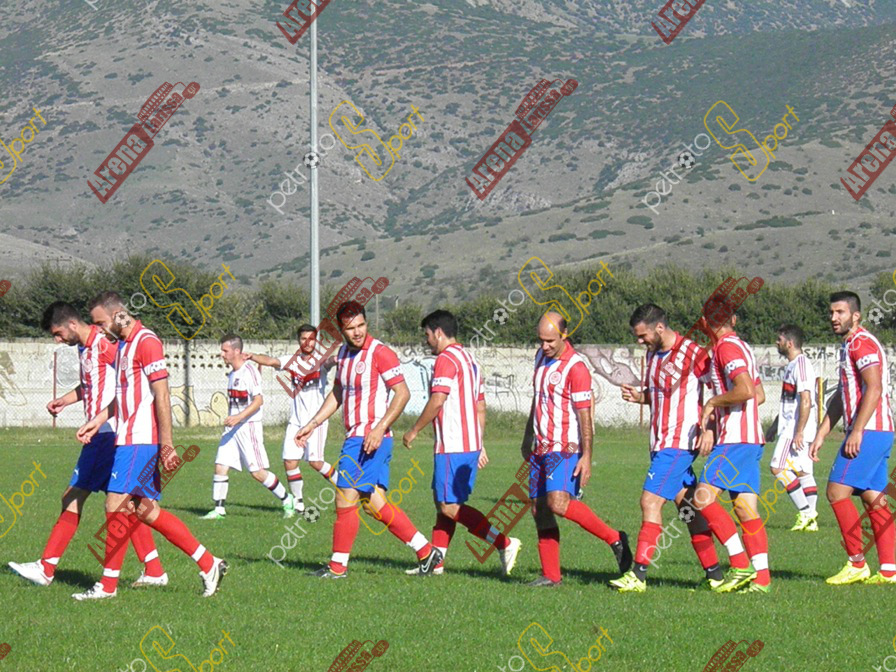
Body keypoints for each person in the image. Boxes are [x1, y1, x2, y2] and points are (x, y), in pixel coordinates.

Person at [73, 292, 226, 600]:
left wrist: (167, 444)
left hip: (140, 440)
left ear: (118, 316)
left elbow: (162, 394)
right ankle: (209, 563)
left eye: (100, 323)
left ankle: (107, 586)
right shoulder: (122, 346)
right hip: (127, 438)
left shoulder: (147, 341)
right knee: (145, 510)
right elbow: (124, 396)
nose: (98, 329)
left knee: (114, 505)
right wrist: (98, 420)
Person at [8, 302, 167, 589]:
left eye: (57, 334)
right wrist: (65, 400)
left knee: (73, 496)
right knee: (132, 505)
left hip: (107, 434)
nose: (58, 340)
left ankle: (47, 568)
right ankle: (156, 568)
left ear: (71, 324)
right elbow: (90, 385)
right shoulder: (84, 348)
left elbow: (129, 377)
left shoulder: (104, 344)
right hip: (106, 433)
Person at [295, 301, 441, 578]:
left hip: (369, 438)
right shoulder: (343, 355)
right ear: (341, 330)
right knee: (373, 504)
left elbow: (402, 393)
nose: (358, 332)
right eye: (351, 328)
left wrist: (379, 428)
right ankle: (426, 551)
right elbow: (338, 393)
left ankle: (338, 567)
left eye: (361, 325)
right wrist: (313, 423)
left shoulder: (380, 353)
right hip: (359, 437)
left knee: (344, 498)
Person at [610, 303, 725, 592]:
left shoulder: (692, 353)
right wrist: (641, 397)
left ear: (660, 328)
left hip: (679, 443)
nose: (640, 341)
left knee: (649, 502)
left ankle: (638, 575)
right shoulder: (653, 354)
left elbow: (718, 391)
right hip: (660, 443)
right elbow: (661, 394)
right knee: (689, 510)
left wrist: (710, 429)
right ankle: (715, 575)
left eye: (643, 335)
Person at [402, 310, 521, 575]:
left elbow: (437, 400)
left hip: (453, 445)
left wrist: (414, 430)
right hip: (467, 445)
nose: (426, 341)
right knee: (443, 504)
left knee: (449, 506)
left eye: (427, 335)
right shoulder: (470, 360)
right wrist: (479, 442)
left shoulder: (445, 360)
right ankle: (436, 563)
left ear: (438, 333)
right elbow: (481, 406)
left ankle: (504, 543)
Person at [521, 312, 631, 588]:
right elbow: (538, 400)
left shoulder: (576, 368)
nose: (544, 345)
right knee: (539, 510)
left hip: (565, 447)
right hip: (541, 447)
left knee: (557, 503)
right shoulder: (540, 357)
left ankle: (615, 538)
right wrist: (527, 436)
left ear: (564, 335)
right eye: (541, 340)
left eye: (550, 340)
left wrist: (587, 456)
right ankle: (551, 576)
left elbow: (585, 416)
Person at [810, 291, 895, 585]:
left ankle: (856, 563)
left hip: (870, 430)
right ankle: (889, 570)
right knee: (874, 498)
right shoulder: (848, 345)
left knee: (836, 492)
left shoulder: (861, 343)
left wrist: (857, 430)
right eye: (831, 312)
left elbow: (874, 387)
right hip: (878, 431)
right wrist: (822, 432)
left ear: (856, 316)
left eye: (840, 312)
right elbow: (841, 397)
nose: (833, 318)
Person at [691, 295, 769, 594]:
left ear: (705, 323)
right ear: (733, 319)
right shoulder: (743, 346)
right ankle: (762, 580)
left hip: (736, 439)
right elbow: (760, 395)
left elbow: (746, 390)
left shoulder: (726, 348)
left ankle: (739, 564)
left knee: (701, 498)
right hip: (751, 438)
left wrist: (714, 402)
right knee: (745, 510)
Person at [247, 325, 338, 516]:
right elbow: (271, 361)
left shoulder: (320, 361)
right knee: (289, 461)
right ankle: (298, 502)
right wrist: (252, 356)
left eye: (311, 339)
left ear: (316, 340)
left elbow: (330, 361)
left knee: (316, 462)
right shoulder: (292, 361)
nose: (308, 342)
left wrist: (337, 359)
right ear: (298, 340)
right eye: (304, 339)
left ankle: (346, 488)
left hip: (316, 421)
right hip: (296, 421)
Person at [201, 334, 293, 519]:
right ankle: (219, 510)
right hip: (232, 429)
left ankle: (286, 498)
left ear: (237, 351)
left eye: (225, 350)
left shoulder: (249, 371)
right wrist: (234, 419)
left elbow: (259, 401)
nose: (222, 354)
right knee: (221, 465)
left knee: (257, 472)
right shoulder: (232, 374)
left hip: (248, 427)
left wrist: (238, 417)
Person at [768, 324, 819, 531]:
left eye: (779, 340)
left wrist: (799, 431)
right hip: (792, 427)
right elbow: (791, 402)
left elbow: (806, 400)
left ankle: (806, 512)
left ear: (789, 343)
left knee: (777, 467)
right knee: (803, 472)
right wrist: (774, 426)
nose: (776, 343)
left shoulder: (801, 364)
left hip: (794, 429)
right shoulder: (792, 365)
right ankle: (811, 522)